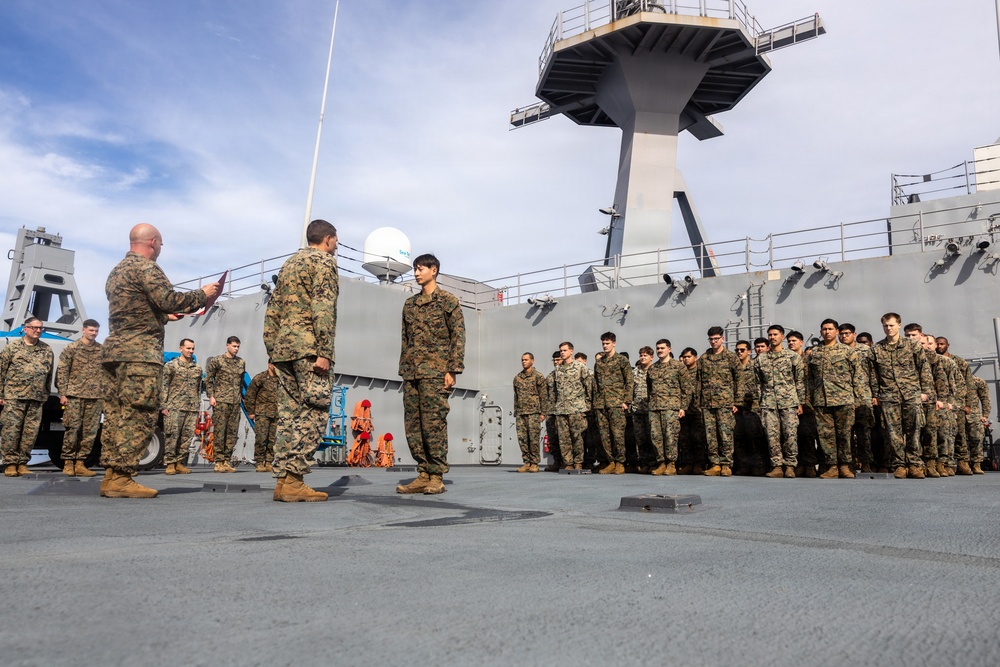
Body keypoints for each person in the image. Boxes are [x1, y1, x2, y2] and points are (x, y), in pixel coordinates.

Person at [101, 223, 216, 498]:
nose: (161, 249)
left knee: (116, 415)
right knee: (138, 414)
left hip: (114, 353)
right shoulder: (146, 268)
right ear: (152, 242)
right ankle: (123, 476)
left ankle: (111, 475)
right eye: (161, 245)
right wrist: (204, 294)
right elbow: (170, 298)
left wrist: (163, 316)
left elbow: (134, 308)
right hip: (140, 354)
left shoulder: (115, 272)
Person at [263, 218, 339, 502]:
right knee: (315, 412)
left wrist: (272, 352)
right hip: (308, 349)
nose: (336, 247)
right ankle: (295, 479)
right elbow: (323, 307)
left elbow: (273, 311)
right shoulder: (324, 263)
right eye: (336, 242)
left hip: (282, 349)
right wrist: (324, 351)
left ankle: (283, 480)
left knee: (288, 416)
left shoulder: (289, 264)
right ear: (328, 239)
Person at [396, 253, 466, 495]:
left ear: (433, 270)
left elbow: (458, 336)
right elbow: (405, 340)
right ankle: (423, 473)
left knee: (433, 423)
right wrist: (404, 369)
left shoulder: (448, 301)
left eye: (421, 269)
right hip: (412, 373)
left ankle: (436, 475)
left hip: (436, 373)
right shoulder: (409, 305)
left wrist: (453, 369)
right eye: (415, 269)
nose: (416, 273)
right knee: (413, 425)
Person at [870, 312, 933, 479]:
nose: (888, 328)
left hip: (911, 394)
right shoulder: (876, 348)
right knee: (893, 432)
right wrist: (876, 394)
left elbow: (923, 368)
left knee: (914, 431)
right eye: (885, 325)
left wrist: (925, 391)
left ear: (899, 325)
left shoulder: (912, 345)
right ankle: (899, 465)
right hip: (889, 396)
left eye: (891, 325)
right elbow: (873, 374)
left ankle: (914, 464)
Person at [806, 319, 866, 479]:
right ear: (820, 332)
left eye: (830, 329)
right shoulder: (814, 353)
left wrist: (858, 399)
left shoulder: (848, 352)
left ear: (837, 332)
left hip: (844, 399)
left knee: (845, 434)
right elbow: (809, 379)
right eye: (824, 329)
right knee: (826, 436)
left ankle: (846, 466)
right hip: (821, 400)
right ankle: (831, 466)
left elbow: (858, 377)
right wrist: (808, 400)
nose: (827, 332)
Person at [1, 316, 54, 477]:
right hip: (14, 396)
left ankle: (22, 462)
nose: (38, 331)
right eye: (34, 328)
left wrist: (45, 394)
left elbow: (48, 374)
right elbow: (1, 371)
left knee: (30, 432)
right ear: (25, 329)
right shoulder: (13, 348)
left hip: (36, 398)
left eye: (40, 328)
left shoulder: (46, 349)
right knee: (12, 430)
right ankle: (10, 463)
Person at [752, 325, 805, 478]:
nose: (772, 337)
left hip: (789, 402)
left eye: (775, 334)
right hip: (768, 403)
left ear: (782, 337)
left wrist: (800, 402)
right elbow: (758, 384)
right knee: (772, 435)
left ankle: (789, 465)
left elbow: (799, 381)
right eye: (770, 335)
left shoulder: (792, 357)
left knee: (790, 434)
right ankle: (776, 465)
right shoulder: (761, 359)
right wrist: (761, 402)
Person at [55, 318, 103, 477]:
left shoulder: (101, 350)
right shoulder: (72, 348)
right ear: (83, 330)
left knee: (89, 431)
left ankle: (81, 463)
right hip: (74, 395)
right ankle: (68, 462)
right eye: (91, 330)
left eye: (96, 331)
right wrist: (63, 393)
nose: (94, 333)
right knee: (72, 429)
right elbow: (62, 371)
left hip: (95, 396)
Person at [696, 326, 742, 476]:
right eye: (711, 339)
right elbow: (698, 382)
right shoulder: (703, 358)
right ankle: (715, 463)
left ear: (723, 339)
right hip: (707, 403)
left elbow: (740, 379)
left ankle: (726, 464)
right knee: (711, 435)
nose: (714, 342)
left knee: (725, 433)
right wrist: (699, 402)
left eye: (716, 339)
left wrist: (737, 402)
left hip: (725, 403)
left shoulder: (730, 357)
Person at [904, 324, 946, 477]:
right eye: (908, 335)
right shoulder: (903, 353)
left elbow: (940, 379)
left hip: (930, 401)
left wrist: (941, 399)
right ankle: (913, 463)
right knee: (912, 432)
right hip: (910, 398)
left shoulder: (931, 356)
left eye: (914, 335)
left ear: (921, 336)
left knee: (930, 432)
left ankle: (931, 464)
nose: (911, 338)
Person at [160, 338, 203, 475]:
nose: (191, 351)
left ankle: (180, 462)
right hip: (174, 406)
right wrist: (163, 405)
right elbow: (164, 385)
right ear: (181, 348)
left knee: (186, 436)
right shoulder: (171, 366)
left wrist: (197, 405)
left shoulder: (197, 369)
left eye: (192, 349)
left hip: (191, 407)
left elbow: (198, 388)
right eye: (188, 348)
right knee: (172, 435)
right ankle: (170, 463)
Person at [646, 339, 688, 475]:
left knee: (671, 436)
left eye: (662, 348)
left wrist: (683, 407)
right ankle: (661, 463)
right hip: (655, 407)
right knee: (656, 436)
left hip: (671, 406)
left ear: (669, 349)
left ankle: (671, 463)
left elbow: (686, 388)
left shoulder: (678, 366)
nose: (659, 351)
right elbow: (649, 388)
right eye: (658, 348)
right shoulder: (652, 368)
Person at [838, 323, 877, 472]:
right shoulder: (837, 351)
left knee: (864, 433)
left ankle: (866, 463)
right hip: (844, 398)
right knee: (845, 433)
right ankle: (850, 464)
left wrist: (875, 394)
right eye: (841, 334)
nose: (844, 336)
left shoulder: (866, 351)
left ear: (854, 334)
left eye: (847, 333)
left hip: (863, 397)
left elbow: (873, 374)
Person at [547, 342, 591, 470]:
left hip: (576, 409)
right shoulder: (557, 370)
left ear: (571, 351)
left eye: (565, 350)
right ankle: (568, 463)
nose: (562, 353)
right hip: (561, 409)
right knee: (563, 439)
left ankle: (578, 462)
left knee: (577, 437)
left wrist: (587, 404)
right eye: (561, 351)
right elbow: (554, 391)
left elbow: (589, 386)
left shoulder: (580, 367)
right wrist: (555, 406)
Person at [593, 332, 633, 474]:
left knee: (618, 434)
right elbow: (596, 384)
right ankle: (610, 462)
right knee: (604, 435)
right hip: (601, 404)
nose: (605, 346)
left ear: (614, 343)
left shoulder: (622, 360)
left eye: (607, 343)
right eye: (603, 343)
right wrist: (595, 403)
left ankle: (620, 462)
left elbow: (629, 381)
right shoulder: (599, 362)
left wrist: (627, 401)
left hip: (616, 403)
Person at [206, 336, 246, 472]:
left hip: (235, 402)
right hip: (221, 401)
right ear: (227, 345)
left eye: (238, 346)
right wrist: (211, 396)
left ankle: (226, 460)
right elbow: (208, 380)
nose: (236, 349)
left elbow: (240, 383)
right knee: (220, 431)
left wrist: (240, 398)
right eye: (234, 346)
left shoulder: (241, 362)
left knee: (232, 432)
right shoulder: (217, 361)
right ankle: (218, 461)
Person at [936, 336, 975, 475]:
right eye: (937, 344)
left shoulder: (959, 362)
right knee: (948, 433)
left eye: (942, 344)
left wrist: (968, 404)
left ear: (948, 345)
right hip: (944, 402)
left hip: (959, 401)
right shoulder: (935, 361)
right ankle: (949, 464)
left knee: (960, 433)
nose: (939, 346)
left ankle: (964, 462)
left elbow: (969, 384)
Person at [787, 330, 818, 477]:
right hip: (791, 402)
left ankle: (810, 465)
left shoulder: (809, 359)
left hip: (809, 402)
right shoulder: (787, 359)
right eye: (789, 341)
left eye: (794, 341)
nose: (791, 343)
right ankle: (799, 464)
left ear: (801, 342)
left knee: (809, 434)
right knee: (795, 435)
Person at [513, 352, 547, 473]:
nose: (524, 362)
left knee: (533, 438)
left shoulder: (538, 376)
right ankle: (526, 462)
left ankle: (534, 463)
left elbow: (543, 396)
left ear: (532, 361)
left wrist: (543, 413)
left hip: (534, 412)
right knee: (522, 439)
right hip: (521, 413)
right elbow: (516, 396)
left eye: (526, 360)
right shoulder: (517, 378)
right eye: (522, 360)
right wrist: (516, 412)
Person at [245, 362, 279, 473]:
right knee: (261, 438)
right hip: (262, 413)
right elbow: (250, 395)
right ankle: (259, 461)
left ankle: (269, 461)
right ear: (270, 365)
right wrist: (251, 411)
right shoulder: (260, 378)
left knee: (272, 439)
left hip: (276, 413)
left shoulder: (281, 379)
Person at [677, 347, 704, 473]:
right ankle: (688, 463)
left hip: (697, 410)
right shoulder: (682, 372)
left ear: (695, 357)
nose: (686, 359)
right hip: (684, 411)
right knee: (685, 439)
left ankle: (699, 464)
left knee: (698, 439)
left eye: (689, 356)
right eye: (684, 357)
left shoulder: (700, 371)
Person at [629, 346, 654, 472]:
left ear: (651, 357)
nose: (643, 358)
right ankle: (644, 462)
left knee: (653, 438)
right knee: (641, 438)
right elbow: (629, 388)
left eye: (645, 355)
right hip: (638, 409)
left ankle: (654, 463)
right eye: (641, 355)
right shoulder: (634, 372)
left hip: (651, 410)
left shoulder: (655, 370)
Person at [967, 375, 991, 474]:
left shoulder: (977, 381)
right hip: (958, 413)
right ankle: (962, 464)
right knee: (958, 441)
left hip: (974, 415)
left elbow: (985, 398)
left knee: (977, 439)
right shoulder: (953, 379)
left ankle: (977, 464)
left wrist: (985, 414)